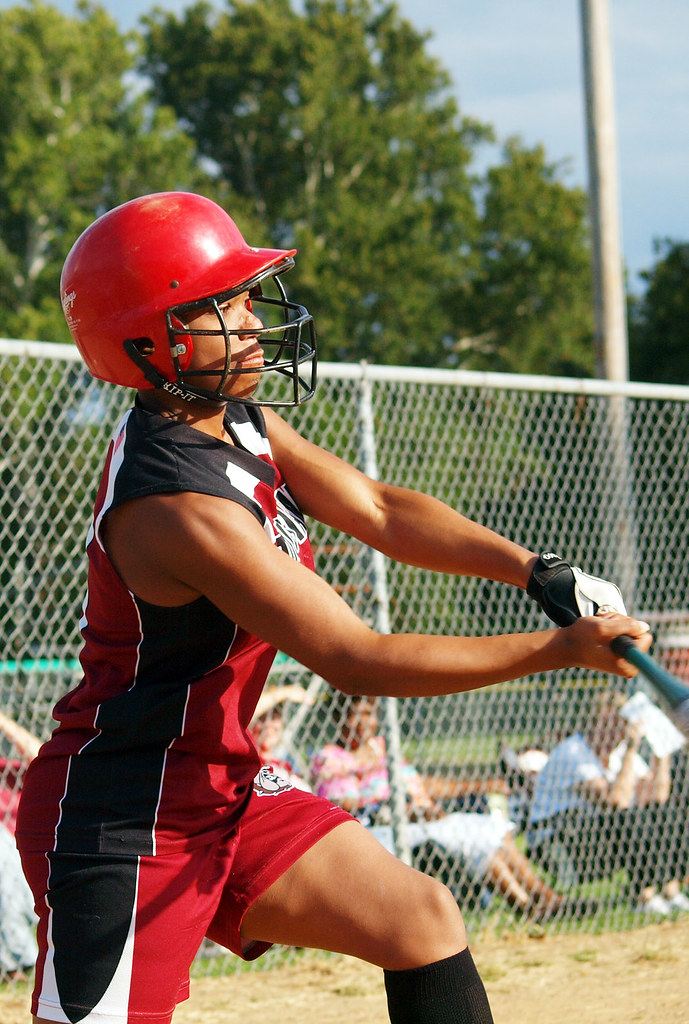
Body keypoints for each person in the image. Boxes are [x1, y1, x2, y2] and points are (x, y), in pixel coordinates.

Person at [15, 191, 652, 1024]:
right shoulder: (175, 506)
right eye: (218, 307)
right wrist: (557, 649)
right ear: (147, 344)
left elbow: (379, 509)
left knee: (417, 919)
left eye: (243, 297)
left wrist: (534, 569)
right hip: (126, 817)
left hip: (222, 783)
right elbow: (354, 657)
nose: (249, 321)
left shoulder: (235, 421)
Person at [312, 696, 577, 921]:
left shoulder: (381, 748)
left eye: (369, 714)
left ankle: (532, 902)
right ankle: (540, 900)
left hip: (422, 820)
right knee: (476, 834)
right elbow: (344, 803)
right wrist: (366, 767)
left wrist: (477, 785)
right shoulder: (330, 757)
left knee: (488, 831)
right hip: (381, 830)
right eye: (356, 714)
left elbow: (419, 783)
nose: (364, 722)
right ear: (338, 719)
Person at [526, 690, 689, 915]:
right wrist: (631, 750)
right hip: (560, 842)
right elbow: (616, 801)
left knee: (668, 812)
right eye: (617, 722)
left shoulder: (617, 751)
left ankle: (670, 890)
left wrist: (662, 751)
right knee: (630, 816)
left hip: (596, 836)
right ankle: (643, 896)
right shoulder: (573, 751)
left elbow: (658, 796)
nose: (624, 729)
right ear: (600, 721)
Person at [0, 712, 40, 975]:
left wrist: (3, 721)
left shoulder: (12, 770)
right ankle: (20, 961)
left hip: (27, 863)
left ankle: (19, 960)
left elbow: (38, 754)